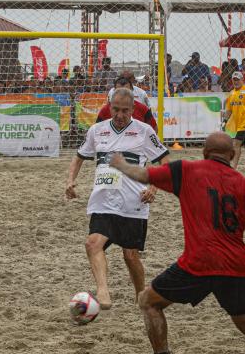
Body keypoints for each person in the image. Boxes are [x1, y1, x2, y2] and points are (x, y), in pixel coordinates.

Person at [108, 132, 245, 354]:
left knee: (148, 301)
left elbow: (144, 175)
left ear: (204, 153)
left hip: (197, 264)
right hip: (233, 267)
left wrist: (120, 164)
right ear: (233, 155)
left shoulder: (187, 170)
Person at [65, 88, 169, 309]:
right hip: (102, 201)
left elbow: (165, 161)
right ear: (109, 107)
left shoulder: (144, 131)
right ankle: (103, 292)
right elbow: (79, 157)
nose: (119, 115)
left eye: (125, 111)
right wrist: (70, 181)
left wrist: (154, 187)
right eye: (115, 109)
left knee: (130, 256)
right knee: (93, 243)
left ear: (133, 110)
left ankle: (141, 294)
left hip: (133, 203)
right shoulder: (97, 130)